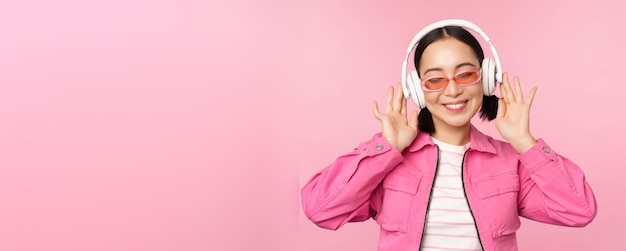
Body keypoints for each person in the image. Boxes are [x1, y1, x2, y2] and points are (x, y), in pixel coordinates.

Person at [300, 20, 597, 251]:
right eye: (435, 79)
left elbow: (579, 211)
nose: (452, 90)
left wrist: (524, 142)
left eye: (466, 74)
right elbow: (320, 209)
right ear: (417, 89)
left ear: (486, 78)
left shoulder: (511, 163)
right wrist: (386, 147)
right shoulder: (389, 160)